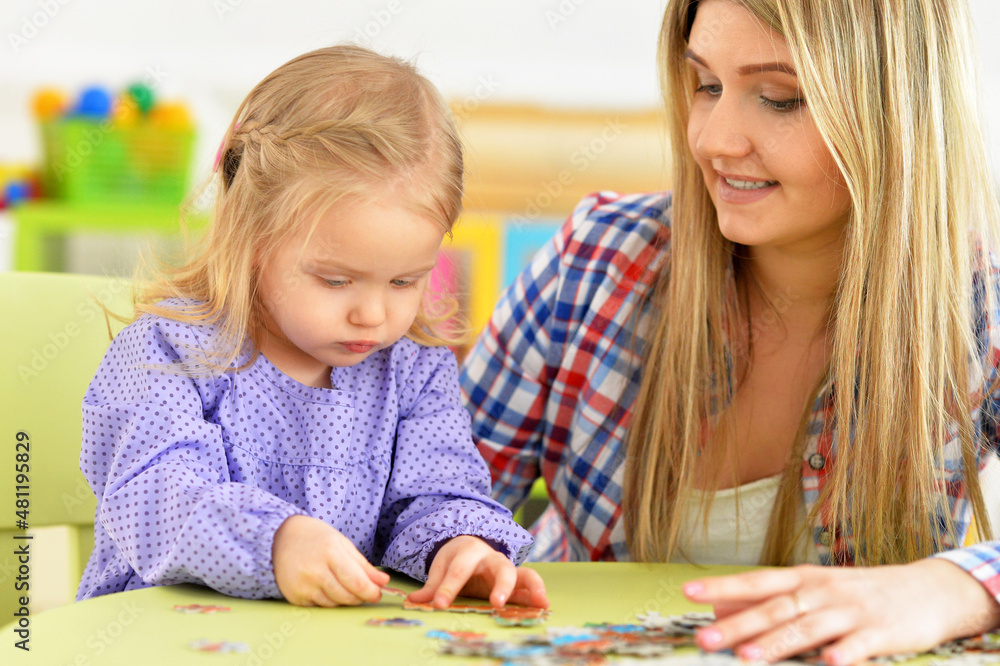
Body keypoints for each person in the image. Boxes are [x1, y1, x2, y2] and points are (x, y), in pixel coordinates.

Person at [459, 0, 1000, 662]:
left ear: (898, 115)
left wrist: (951, 588)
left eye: (778, 98)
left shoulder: (978, 310)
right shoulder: (595, 261)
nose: (714, 140)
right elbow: (422, 496)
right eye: (707, 86)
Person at [76, 45, 548, 612]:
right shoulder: (170, 350)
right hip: (161, 636)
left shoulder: (412, 366)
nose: (373, 316)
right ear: (251, 238)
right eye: (335, 280)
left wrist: (461, 544)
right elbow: (152, 498)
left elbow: (435, 493)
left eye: (405, 282)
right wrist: (272, 542)